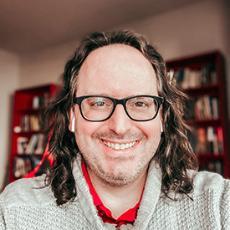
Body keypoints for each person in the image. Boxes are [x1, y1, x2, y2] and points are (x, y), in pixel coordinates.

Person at [0, 30, 229, 230]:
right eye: (98, 103)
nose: (119, 127)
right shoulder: (14, 210)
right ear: (72, 117)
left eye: (140, 103)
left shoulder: (218, 204)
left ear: (161, 117)